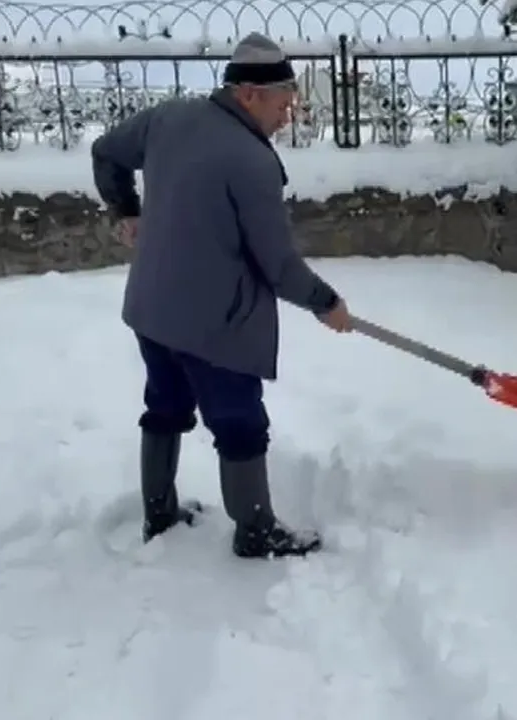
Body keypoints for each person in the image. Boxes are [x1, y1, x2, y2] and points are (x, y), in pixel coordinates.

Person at [90, 31, 353, 559]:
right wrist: (326, 302)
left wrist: (126, 209)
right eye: (284, 101)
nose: (289, 114)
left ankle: (158, 514)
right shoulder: (250, 161)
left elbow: (105, 152)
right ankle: (254, 530)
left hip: (153, 307)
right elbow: (277, 264)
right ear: (250, 94)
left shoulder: (167, 118)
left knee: (164, 406)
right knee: (240, 422)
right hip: (216, 323)